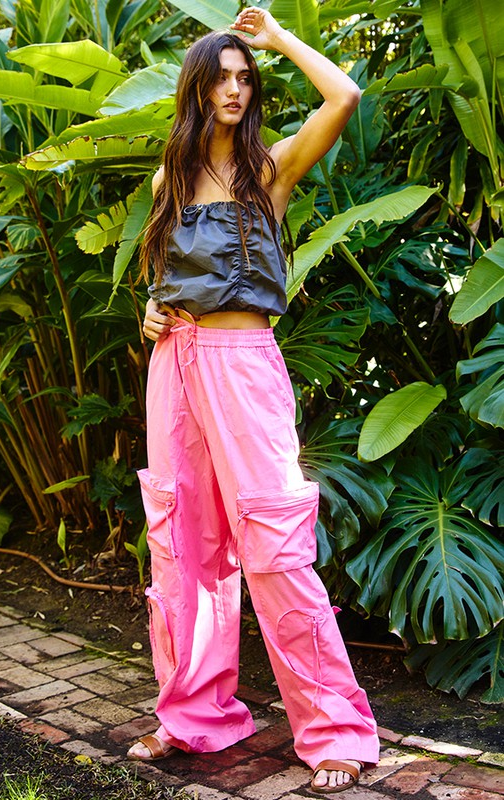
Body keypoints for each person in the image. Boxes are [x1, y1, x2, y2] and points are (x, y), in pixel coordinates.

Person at [128, 6, 380, 794]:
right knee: (181, 541)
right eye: (221, 78)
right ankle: (193, 714)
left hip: (243, 366)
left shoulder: (268, 171)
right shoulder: (170, 180)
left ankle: (333, 729)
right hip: (175, 365)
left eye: (244, 78)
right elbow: (168, 279)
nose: (234, 90)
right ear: (196, 90)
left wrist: (277, 38)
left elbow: (344, 96)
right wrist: (149, 313)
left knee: (273, 541)